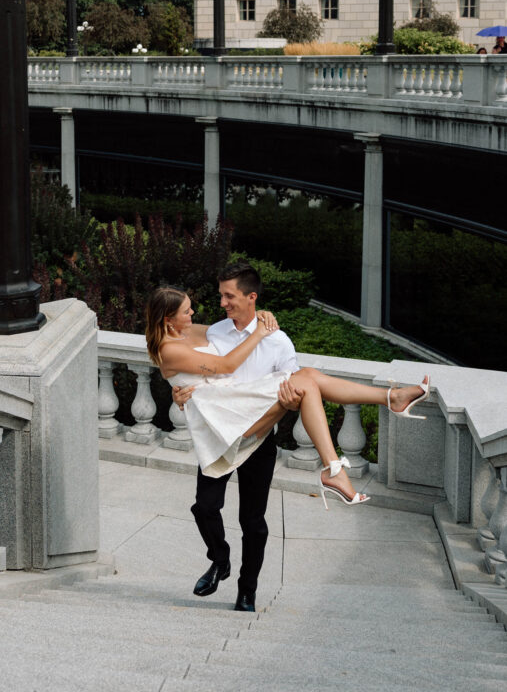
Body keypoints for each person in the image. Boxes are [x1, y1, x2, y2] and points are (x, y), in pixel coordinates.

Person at [146, 261, 430, 611]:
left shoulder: (271, 339)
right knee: (205, 507)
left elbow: (295, 395)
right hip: (226, 423)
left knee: (254, 519)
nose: (217, 304)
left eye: (228, 296)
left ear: (251, 297)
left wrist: (264, 346)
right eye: (189, 309)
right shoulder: (215, 333)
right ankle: (222, 558)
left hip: (257, 425)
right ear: (169, 318)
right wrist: (183, 386)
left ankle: (247, 589)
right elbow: (211, 367)